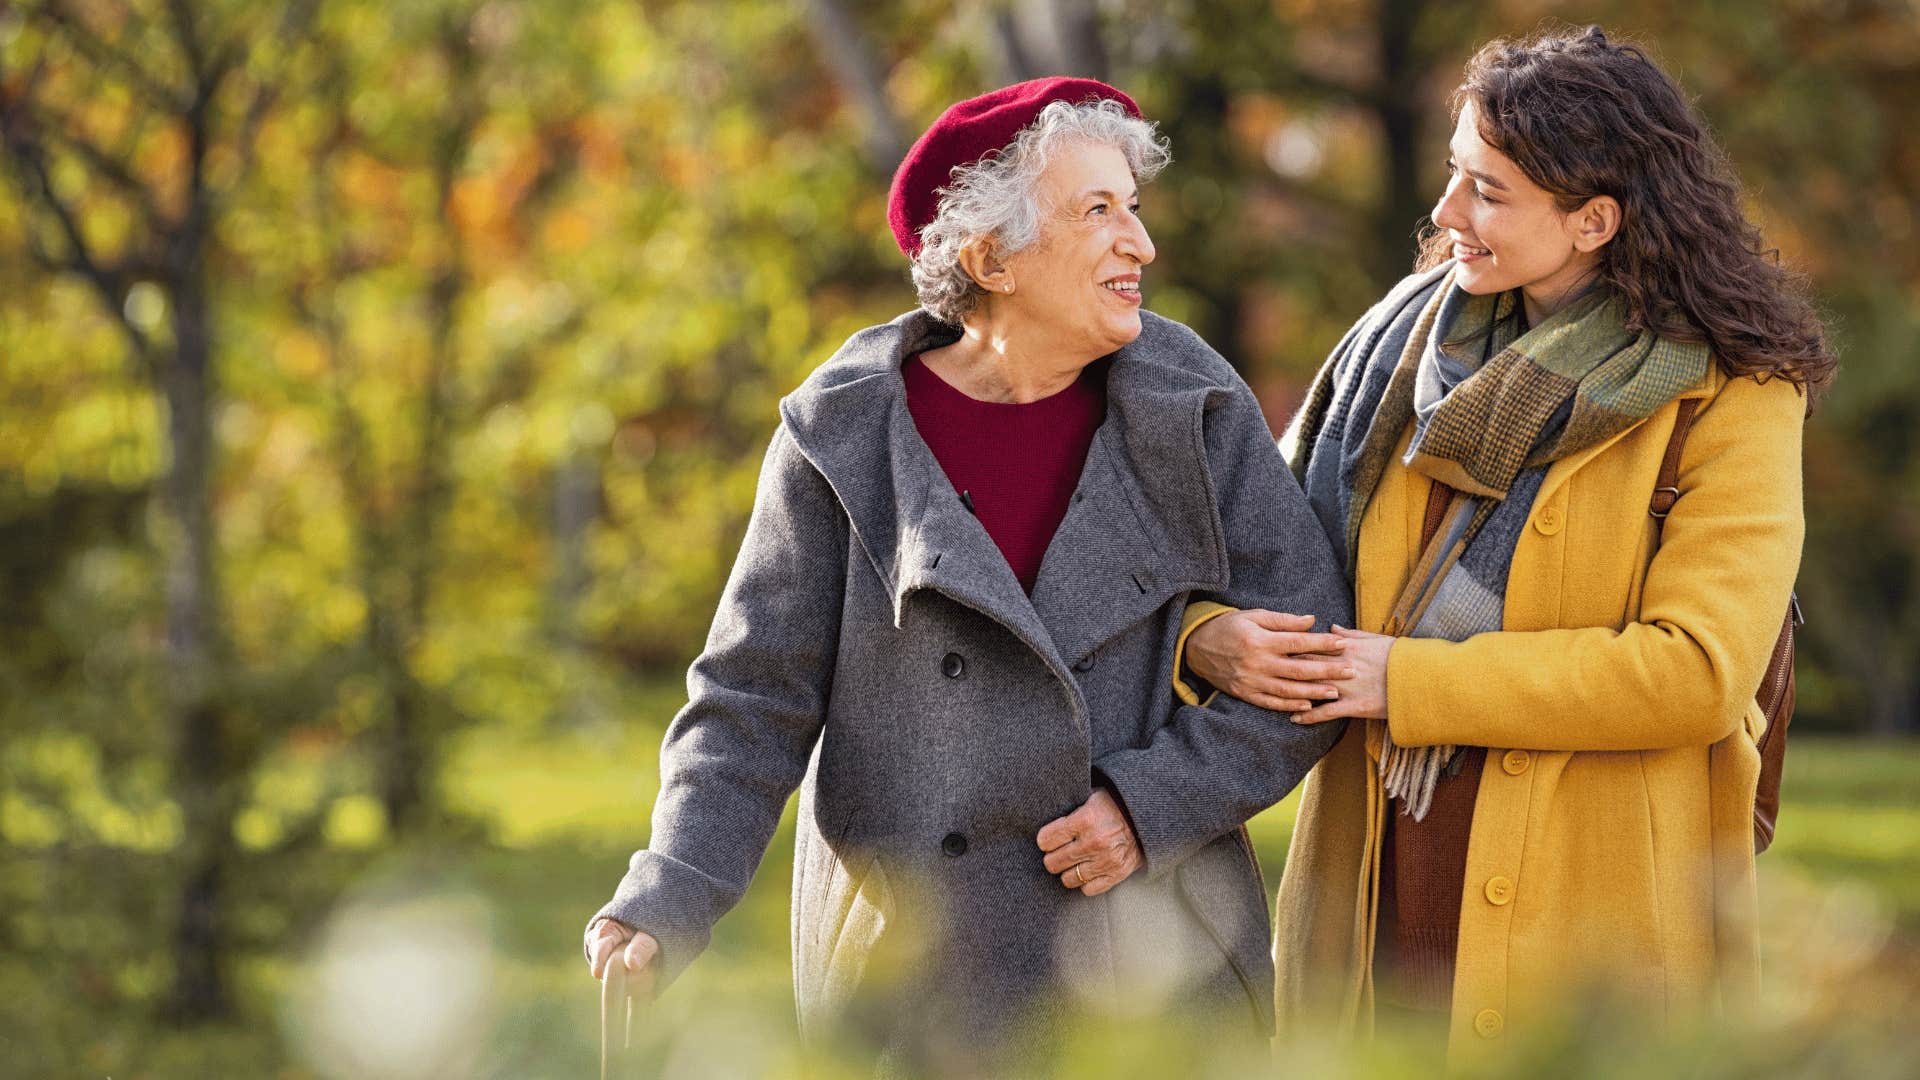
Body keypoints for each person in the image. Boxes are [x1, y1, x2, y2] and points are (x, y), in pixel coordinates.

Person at [581, 78, 1352, 1071]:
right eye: (1099, 211)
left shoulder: (1191, 403)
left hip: (1158, 967)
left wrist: (1152, 803)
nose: (1141, 245)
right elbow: (750, 697)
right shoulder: (844, 436)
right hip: (917, 975)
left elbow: (1314, 656)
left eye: (1134, 206)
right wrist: (671, 888)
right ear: (991, 257)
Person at [1178, 26, 1833, 1063]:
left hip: (1596, 922)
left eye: (1487, 190)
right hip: (1374, 890)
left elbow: (1698, 671)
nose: (1444, 216)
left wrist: (1415, 682)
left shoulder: (1735, 395)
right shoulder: (1395, 357)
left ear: (1593, 220)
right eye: (1452, 175)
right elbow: (1240, 553)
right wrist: (1209, 638)